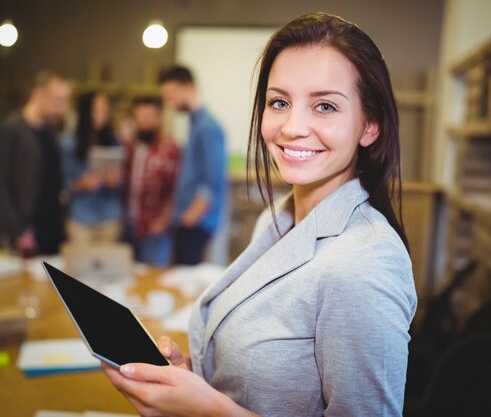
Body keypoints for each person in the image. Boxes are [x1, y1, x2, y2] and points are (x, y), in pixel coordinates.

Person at [103, 12, 417, 417]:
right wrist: (191, 382)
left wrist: (207, 409)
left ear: (369, 126)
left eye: (324, 106)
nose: (292, 127)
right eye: (279, 102)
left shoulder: (364, 264)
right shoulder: (276, 219)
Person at [0, 70, 71, 255]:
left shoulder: (51, 132)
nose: (62, 107)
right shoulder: (12, 131)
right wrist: (18, 230)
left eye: (65, 101)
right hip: (27, 230)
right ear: (38, 95)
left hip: (52, 227)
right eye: (57, 100)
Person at [158, 65, 228, 265]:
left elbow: (212, 179)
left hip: (196, 222)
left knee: (187, 280)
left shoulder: (207, 127)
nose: (169, 102)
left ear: (189, 87)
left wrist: (189, 219)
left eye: (171, 94)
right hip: (188, 218)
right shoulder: (195, 124)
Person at [121, 96, 181, 266]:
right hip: (127, 224)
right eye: (139, 118)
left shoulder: (170, 149)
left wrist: (164, 219)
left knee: (153, 277)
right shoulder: (128, 147)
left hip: (155, 228)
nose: (143, 123)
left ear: (159, 118)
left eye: (148, 118)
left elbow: (175, 189)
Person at [61, 91, 123, 244]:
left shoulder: (114, 142)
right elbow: (62, 183)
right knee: (81, 265)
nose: (102, 115)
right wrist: (82, 183)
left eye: (105, 110)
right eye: (97, 110)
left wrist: (114, 181)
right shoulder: (69, 143)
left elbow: (122, 183)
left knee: (109, 265)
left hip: (109, 215)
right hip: (81, 216)